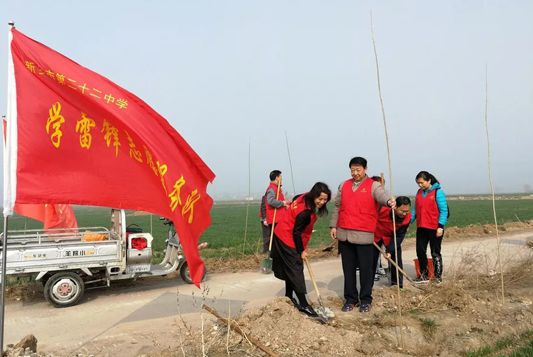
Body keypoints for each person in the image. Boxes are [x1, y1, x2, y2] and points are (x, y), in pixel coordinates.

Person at [330, 157, 395, 313]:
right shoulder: (344, 185)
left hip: (364, 235)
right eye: (352, 170)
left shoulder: (373, 185)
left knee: (366, 269)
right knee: (349, 269)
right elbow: (337, 206)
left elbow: (382, 196)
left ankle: (366, 299)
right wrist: (333, 225)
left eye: (358, 170)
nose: (355, 173)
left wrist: (389, 201)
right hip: (344, 234)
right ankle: (350, 299)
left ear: (365, 169)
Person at [271, 182, 331, 316]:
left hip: (281, 232)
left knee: (290, 269)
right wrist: (301, 251)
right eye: (320, 199)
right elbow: (296, 233)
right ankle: (303, 304)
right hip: (287, 238)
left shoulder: (303, 197)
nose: (322, 202)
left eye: (325, 200)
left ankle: (288, 296)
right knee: (296, 270)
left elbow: (294, 200)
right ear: (314, 195)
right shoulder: (305, 213)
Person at [412, 171, 448, 283]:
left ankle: (438, 277)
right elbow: (415, 210)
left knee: (435, 252)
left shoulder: (438, 192)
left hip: (435, 228)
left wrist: (440, 226)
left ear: (429, 181)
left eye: (422, 183)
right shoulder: (419, 192)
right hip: (422, 227)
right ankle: (424, 275)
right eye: (418, 183)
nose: (420, 185)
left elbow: (444, 211)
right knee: (420, 251)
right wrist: (408, 220)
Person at [373, 196, 412, 288]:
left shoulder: (407, 218)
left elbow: (399, 236)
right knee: (371, 260)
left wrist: (389, 250)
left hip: (391, 237)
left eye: (407, 211)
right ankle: (367, 287)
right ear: (395, 207)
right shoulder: (383, 209)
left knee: (396, 258)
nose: (404, 213)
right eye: (402, 211)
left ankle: (397, 284)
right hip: (376, 235)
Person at [259, 170, 288, 253]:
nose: (281, 179)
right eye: (280, 177)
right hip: (275, 218)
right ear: (277, 178)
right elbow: (270, 201)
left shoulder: (277, 188)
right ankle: (271, 253)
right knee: (274, 238)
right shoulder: (272, 188)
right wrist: (282, 203)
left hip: (278, 217)